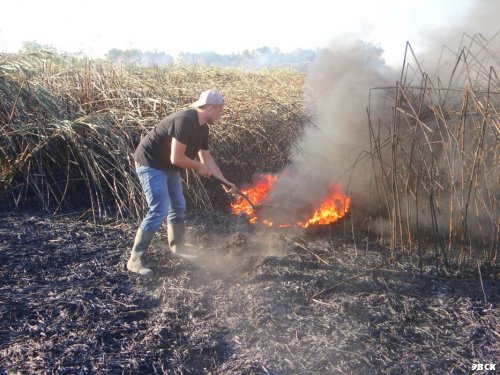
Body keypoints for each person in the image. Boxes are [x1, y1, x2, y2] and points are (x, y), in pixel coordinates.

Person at [127, 89, 236, 275]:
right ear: (210, 107)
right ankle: (135, 259)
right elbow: (177, 158)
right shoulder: (185, 120)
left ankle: (178, 248)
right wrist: (198, 167)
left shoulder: (203, 128)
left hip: (167, 167)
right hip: (150, 164)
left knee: (178, 205)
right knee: (159, 208)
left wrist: (226, 182)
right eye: (220, 110)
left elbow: (207, 159)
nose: (221, 114)